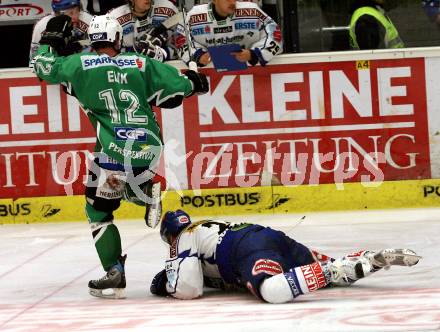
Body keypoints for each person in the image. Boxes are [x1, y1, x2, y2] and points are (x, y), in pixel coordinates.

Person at [31, 15, 209, 299]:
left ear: (93, 40)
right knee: (120, 187)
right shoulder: (141, 63)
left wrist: (48, 41)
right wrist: (195, 81)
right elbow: (181, 87)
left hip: (113, 149)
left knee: (99, 211)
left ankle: (115, 270)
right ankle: (144, 189)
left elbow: (42, 67)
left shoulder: (79, 65)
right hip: (148, 146)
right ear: (117, 39)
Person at [150, 210, 421, 303]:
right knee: (323, 273)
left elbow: (188, 287)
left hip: (247, 250)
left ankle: (331, 271)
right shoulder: (205, 228)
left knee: (273, 290)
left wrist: (163, 283)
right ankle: (370, 259)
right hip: (268, 238)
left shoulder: (183, 235)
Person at [177, 0, 283, 68]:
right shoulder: (195, 15)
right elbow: (181, 39)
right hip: (212, 80)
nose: (233, 2)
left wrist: (253, 54)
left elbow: (275, 34)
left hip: (254, 76)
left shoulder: (252, 10)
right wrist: (198, 56)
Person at [108, 0, 180, 61]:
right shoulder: (114, 18)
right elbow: (108, 54)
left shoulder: (168, 9)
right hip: (131, 68)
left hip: (166, 65)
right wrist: (133, 52)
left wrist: (164, 53)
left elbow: (183, 45)